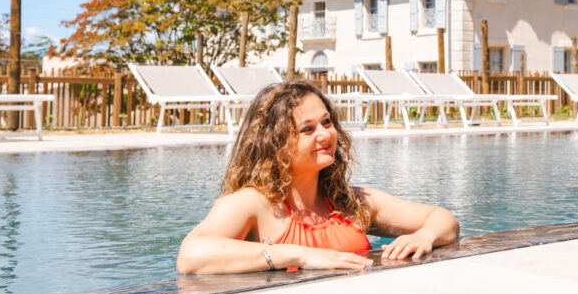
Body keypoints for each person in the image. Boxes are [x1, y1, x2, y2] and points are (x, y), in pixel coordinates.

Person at [177, 79, 460, 274]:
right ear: (275, 143)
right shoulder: (254, 204)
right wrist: (298, 254)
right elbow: (191, 256)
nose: (325, 135)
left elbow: (445, 220)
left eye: (327, 122)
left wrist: (424, 236)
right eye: (307, 129)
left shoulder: (353, 202)